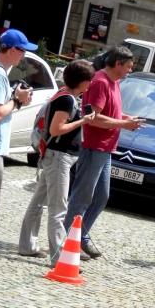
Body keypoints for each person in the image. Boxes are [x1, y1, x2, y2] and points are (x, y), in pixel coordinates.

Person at [64, 46, 142, 259]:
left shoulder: (114, 82)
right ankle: (67, 241)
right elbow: (93, 118)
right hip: (93, 146)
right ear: (117, 64)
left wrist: (125, 118)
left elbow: (110, 112)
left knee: (101, 197)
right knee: (82, 196)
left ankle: (80, 236)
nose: (130, 70)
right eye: (128, 66)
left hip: (105, 148)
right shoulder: (100, 82)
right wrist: (123, 125)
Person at [18, 60, 95, 261]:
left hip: (55, 156)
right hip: (59, 157)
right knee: (58, 209)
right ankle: (60, 258)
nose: (90, 84)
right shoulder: (67, 100)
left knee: (38, 203)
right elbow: (56, 129)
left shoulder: (65, 95)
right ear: (82, 81)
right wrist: (83, 121)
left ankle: (27, 245)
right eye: (89, 80)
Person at [0, 30, 36, 221]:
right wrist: (17, 100)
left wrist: (15, 98)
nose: (24, 55)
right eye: (22, 50)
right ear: (12, 50)